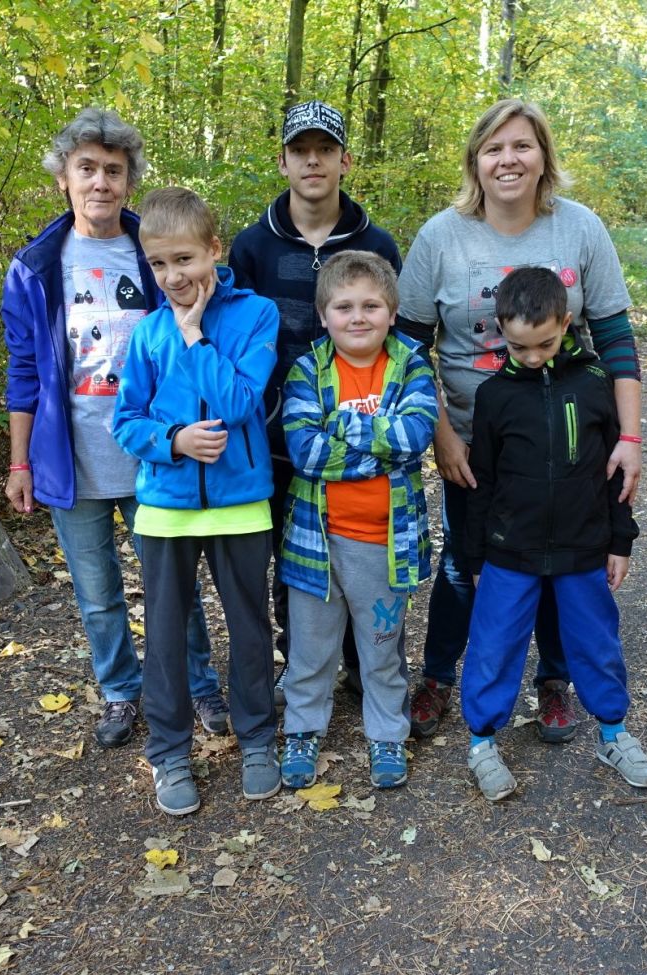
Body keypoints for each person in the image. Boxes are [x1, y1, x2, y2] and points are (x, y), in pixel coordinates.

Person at [395, 98, 643, 743]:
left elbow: (616, 340)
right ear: (475, 161)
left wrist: (630, 438)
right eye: (494, 148)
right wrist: (443, 437)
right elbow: (408, 350)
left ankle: (553, 682)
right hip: (473, 442)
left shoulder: (580, 229)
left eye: (522, 146)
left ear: (543, 157)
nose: (508, 160)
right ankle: (439, 675)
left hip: (567, 439)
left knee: (562, 561)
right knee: (466, 559)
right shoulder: (441, 237)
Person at [2, 108, 227, 751]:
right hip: (73, 455)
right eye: (87, 169)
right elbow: (23, 371)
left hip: (157, 452)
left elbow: (206, 309)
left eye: (114, 171)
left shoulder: (152, 251)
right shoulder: (35, 267)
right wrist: (20, 462)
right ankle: (121, 691)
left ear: (129, 182)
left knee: (173, 586)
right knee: (97, 592)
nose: (100, 182)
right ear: (64, 179)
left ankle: (198, 685)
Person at [111, 187, 281, 816]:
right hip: (165, 507)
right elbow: (126, 421)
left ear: (214, 249)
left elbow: (238, 402)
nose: (172, 276)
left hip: (241, 502)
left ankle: (257, 740)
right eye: (158, 264)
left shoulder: (256, 315)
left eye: (184, 259)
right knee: (164, 637)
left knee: (249, 628)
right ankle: (170, 752)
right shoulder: (148, 332)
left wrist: (194, 336)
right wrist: (173, 441)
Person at [457, 268, 647, 801]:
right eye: (518, 346)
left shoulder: (594, 383)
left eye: (544, 344)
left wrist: (620, 541)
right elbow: (482, 482)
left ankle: (612, 734)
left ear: (566, 323)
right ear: (501, 330)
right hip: (508, 553)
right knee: (494, 646)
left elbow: (615, 473)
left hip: (583, 547)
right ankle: (481, 742)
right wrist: (475, 556)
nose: (532, 356)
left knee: (596, 642)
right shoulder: (494, 395)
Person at [229, 100, 403, 698]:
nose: (312, 161)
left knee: (368, 548)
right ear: (282, 162)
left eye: (324, 150)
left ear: (344, 160)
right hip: (279, 438)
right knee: (296, 554)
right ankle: (302, 663)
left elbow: (398, 335)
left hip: (365, 431)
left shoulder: (376, 243)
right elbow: (236, 338)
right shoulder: (253, 247)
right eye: (299, 151)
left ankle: (368, 664)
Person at [276, 252, 437, 791]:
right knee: (310, 650)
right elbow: (305, 452)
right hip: (316, 543)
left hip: (385, 544)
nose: (358, 317)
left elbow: (416, 435)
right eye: (344, 307)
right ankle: (303, 729)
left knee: (382, 648)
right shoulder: (308, 370)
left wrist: (341, 426)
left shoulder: (411, 366)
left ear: (392, 311)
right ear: (324, 315)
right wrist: (381, 450)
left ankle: (387, 733)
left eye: (371, 305)